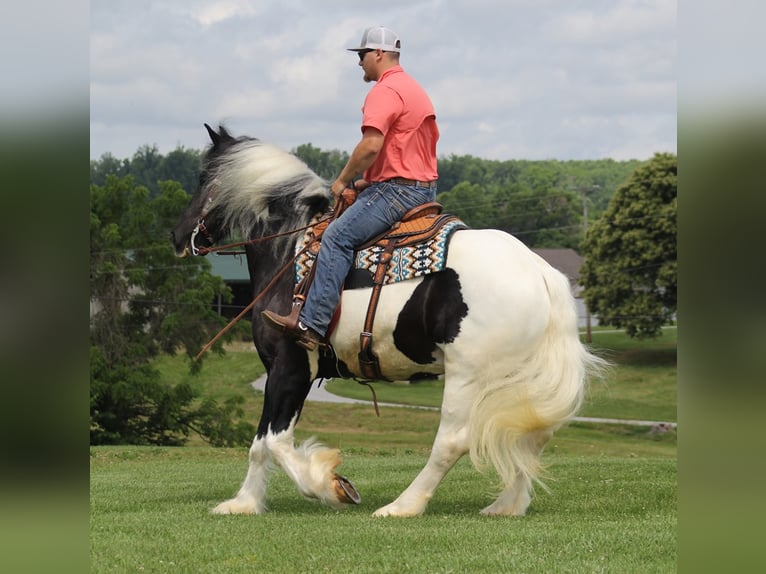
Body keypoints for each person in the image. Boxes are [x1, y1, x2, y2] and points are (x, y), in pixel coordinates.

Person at [262, 26, 440, 351]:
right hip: (420, 188)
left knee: (336, 237)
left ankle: (311, 325)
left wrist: (343, 180)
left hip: (397, 192)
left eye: (361, 55)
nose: (359, 62)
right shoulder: (413, 88)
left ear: (378, 55)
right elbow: (401, 151)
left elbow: (371, 145)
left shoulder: (384, 91)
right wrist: (365, 182)